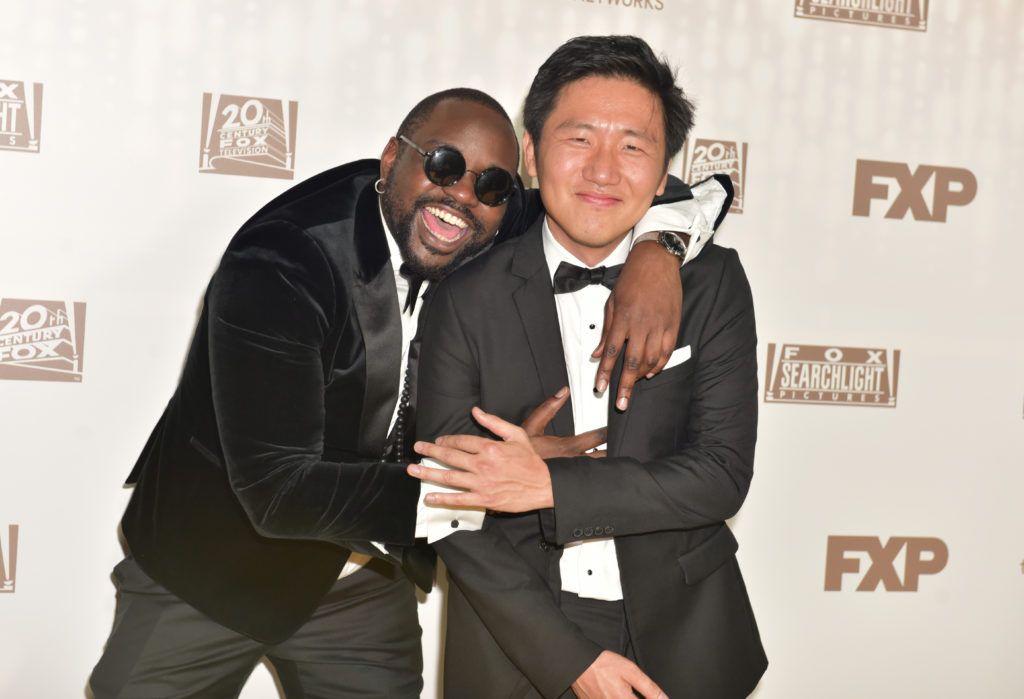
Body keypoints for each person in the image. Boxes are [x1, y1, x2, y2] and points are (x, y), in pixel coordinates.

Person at [88, 85, 708, 698]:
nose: (461, 196)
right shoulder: (281, 262)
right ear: (392, 160)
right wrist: (486, 483)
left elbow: (692, 194)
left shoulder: (484, 214)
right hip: (208, 568)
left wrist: (660, 251)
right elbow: (279, 492)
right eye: (442, 165)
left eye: (492, 186)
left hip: (361, 577)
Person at [411, 36, 767, 698]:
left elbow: (720, 476)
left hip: (683, 638)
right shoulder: (463, 297)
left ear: (664, 175)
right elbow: (450, 510)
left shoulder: (712, 282)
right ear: (530, 151)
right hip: (518, 639)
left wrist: (549, 484)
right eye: (579, 139)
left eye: (634, 146)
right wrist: (571, 658)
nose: (604, 170)